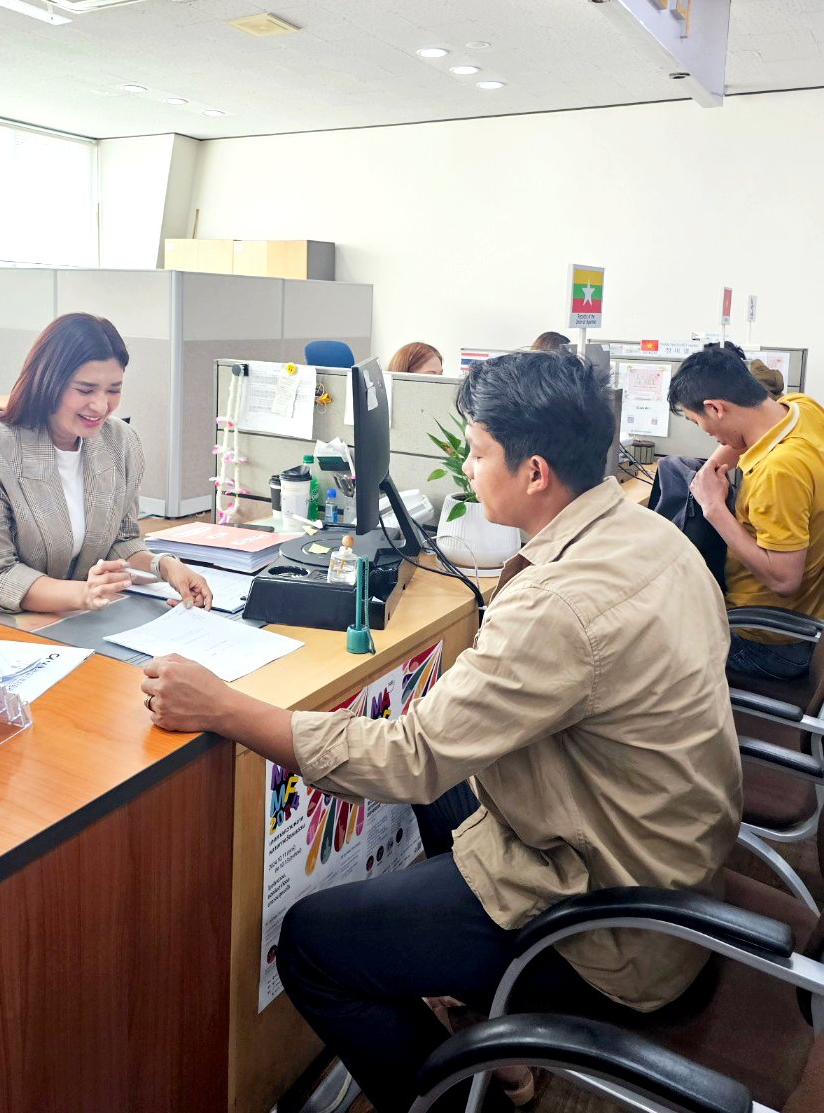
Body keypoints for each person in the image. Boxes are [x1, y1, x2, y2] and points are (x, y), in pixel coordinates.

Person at [140, 353, 741, 1113]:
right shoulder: (651, 535)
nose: (469, 466)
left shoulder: (560, 603)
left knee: (314, 945)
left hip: (613, 926)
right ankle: (474, 998)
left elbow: (411, 758)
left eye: (479, 452)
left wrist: (225, 708)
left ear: (534, 473)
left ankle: (464, 1096)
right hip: (658, 858)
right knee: (447, 788)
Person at [0, 312, 212, 614]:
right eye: (85, 390)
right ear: (47, 382)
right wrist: (82, 594)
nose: (101, 406)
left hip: (81, 618)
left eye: (114, 390)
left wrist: (165, 567)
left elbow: (120, 542)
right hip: (0, 623)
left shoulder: (121, 443)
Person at [670, 344, 824, 679]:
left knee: (651, 646)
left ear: (716, 408)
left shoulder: (779, 471)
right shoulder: (800, 408)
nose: (709, 436)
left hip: (770, 641)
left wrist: (713, 508)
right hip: (807, 616)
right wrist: (707, 475)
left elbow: (784, 579)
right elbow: (739, 442)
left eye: (701, 423)